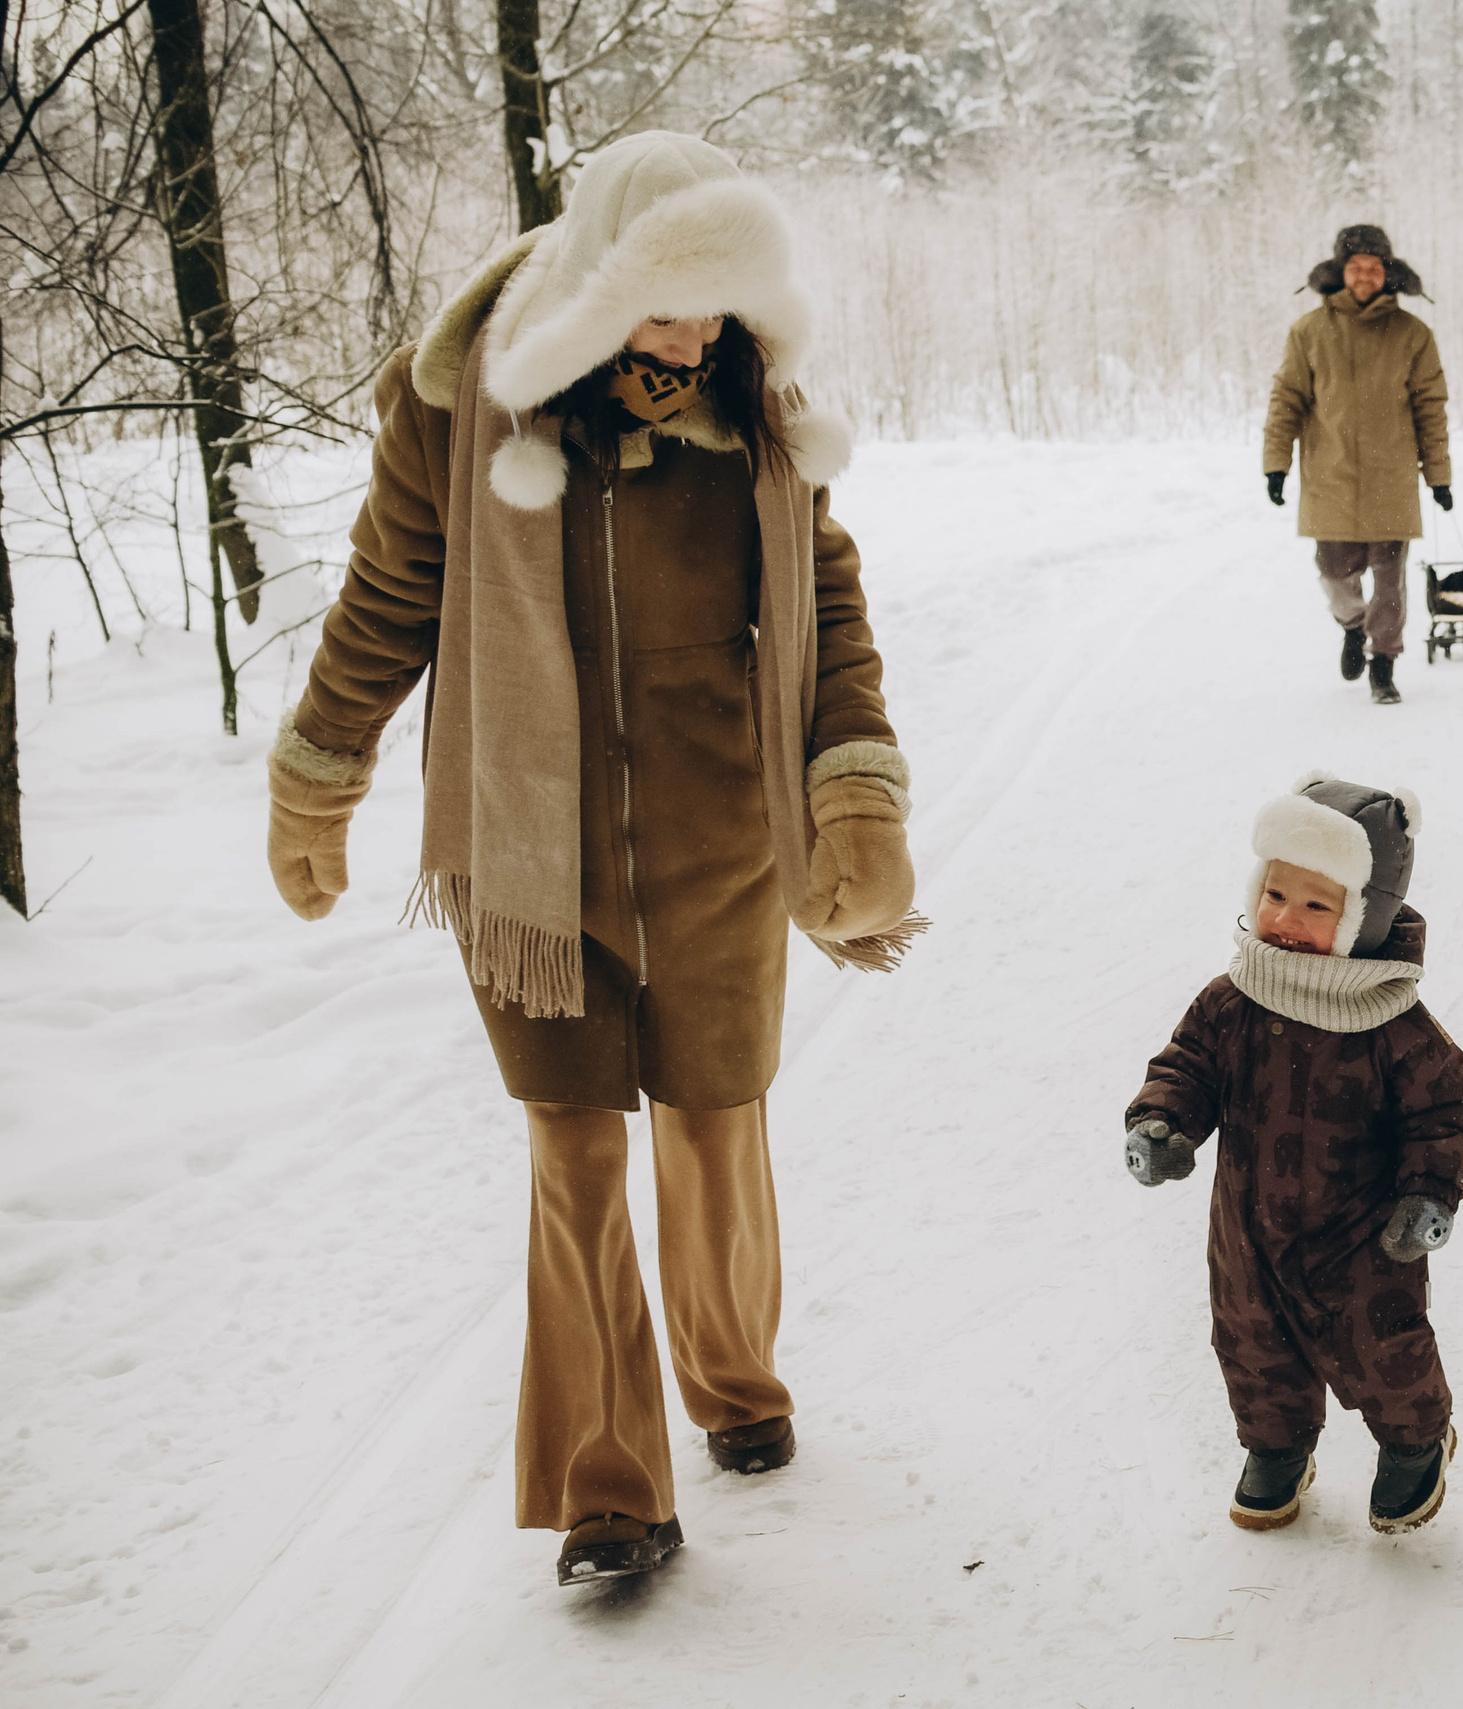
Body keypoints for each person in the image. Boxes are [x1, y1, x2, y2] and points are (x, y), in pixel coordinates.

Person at [263, 133, 920, 1588]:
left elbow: (832, 604)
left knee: (709, 1117)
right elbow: (390, 591)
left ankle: (733, 1373)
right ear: (601, 283)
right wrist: (321, 770)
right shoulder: (461, 403)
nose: (689, 341)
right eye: (664, 307)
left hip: (720, 835)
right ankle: (608, 1485)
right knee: (573, 1147)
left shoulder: (759, 411)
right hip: (524, 846)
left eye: (716, 310)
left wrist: (855, 788)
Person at [1123, 774, 1463, 1533]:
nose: (1286, 918)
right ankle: (1277, 1447)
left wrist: (1429, 1194)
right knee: (1251, 1343)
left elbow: (1443, 1107)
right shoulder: (1232, 998)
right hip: (1247, 1232)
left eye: (1318, 905)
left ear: (1363, 917)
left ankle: (1417, 1440)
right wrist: (1163, 1122)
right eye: (1276, 894)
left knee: (1381, 1343)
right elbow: (1185, 1066)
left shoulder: (1391, 1020)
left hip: (1361, 1239)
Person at [1262, 226, 1453, 706]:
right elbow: (1286, 399)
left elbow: (1431, 408)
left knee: (1389, 581)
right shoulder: (1308, 331)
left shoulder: (1413, 334)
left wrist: (1439, 476)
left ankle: (1383, 666)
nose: (1365, 276)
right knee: (1333, 571)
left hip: (1391, 479)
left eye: (1374, 267)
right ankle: (1352, 626)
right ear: (1340, 272)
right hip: (1331, 475)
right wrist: (1276, 465)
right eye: (1356, 267)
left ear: (1387, 273)